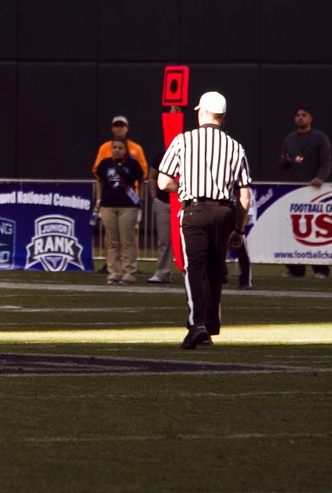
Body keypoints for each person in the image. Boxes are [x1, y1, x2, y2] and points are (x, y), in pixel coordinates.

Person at [157, 91, 252, 350]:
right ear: (223, 116)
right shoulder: (235, 146)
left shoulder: (183, 140)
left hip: (195, 211)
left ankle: (196, 324)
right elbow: (244, 195)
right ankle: (210, 324)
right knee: (215, 269)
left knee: (194, 269)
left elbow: (164, 182)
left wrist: (186, 187)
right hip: (224, 212)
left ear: (201, 112)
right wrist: (239, 229)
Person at [279, 106, 332, 279]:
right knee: (293, 229)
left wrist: (320, 178)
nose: (300, 118)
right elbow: (284, 164)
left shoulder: (319, 138)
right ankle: (295, 269)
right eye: (298, 115)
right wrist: (285, 161)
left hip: (314, 190)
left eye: (304, 115)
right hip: (294, 189)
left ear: (310, 118)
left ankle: (320, 269)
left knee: (315, 231)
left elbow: (326, 162)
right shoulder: (290, 138)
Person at [93, 115, 148, 274]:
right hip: (109, 201)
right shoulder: (104, 150)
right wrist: (99, 199)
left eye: (121, 125)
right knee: (112, 239)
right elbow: (99, 177)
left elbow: (142, 174)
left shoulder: (135, 150)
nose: (119, 128)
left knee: (128, 238)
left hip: (129, 200)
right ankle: (112, 269)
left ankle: (129, 269)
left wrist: (140, 199)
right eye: (116, 125)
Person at [147, 150, 173, 284]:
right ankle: (162, 272)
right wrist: (154, 197)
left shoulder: (190, 154)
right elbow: (152, 177)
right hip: (163, 202)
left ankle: (192, 273)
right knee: (164, 240)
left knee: (190, 241)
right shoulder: (161, 156)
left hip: (183, 203)